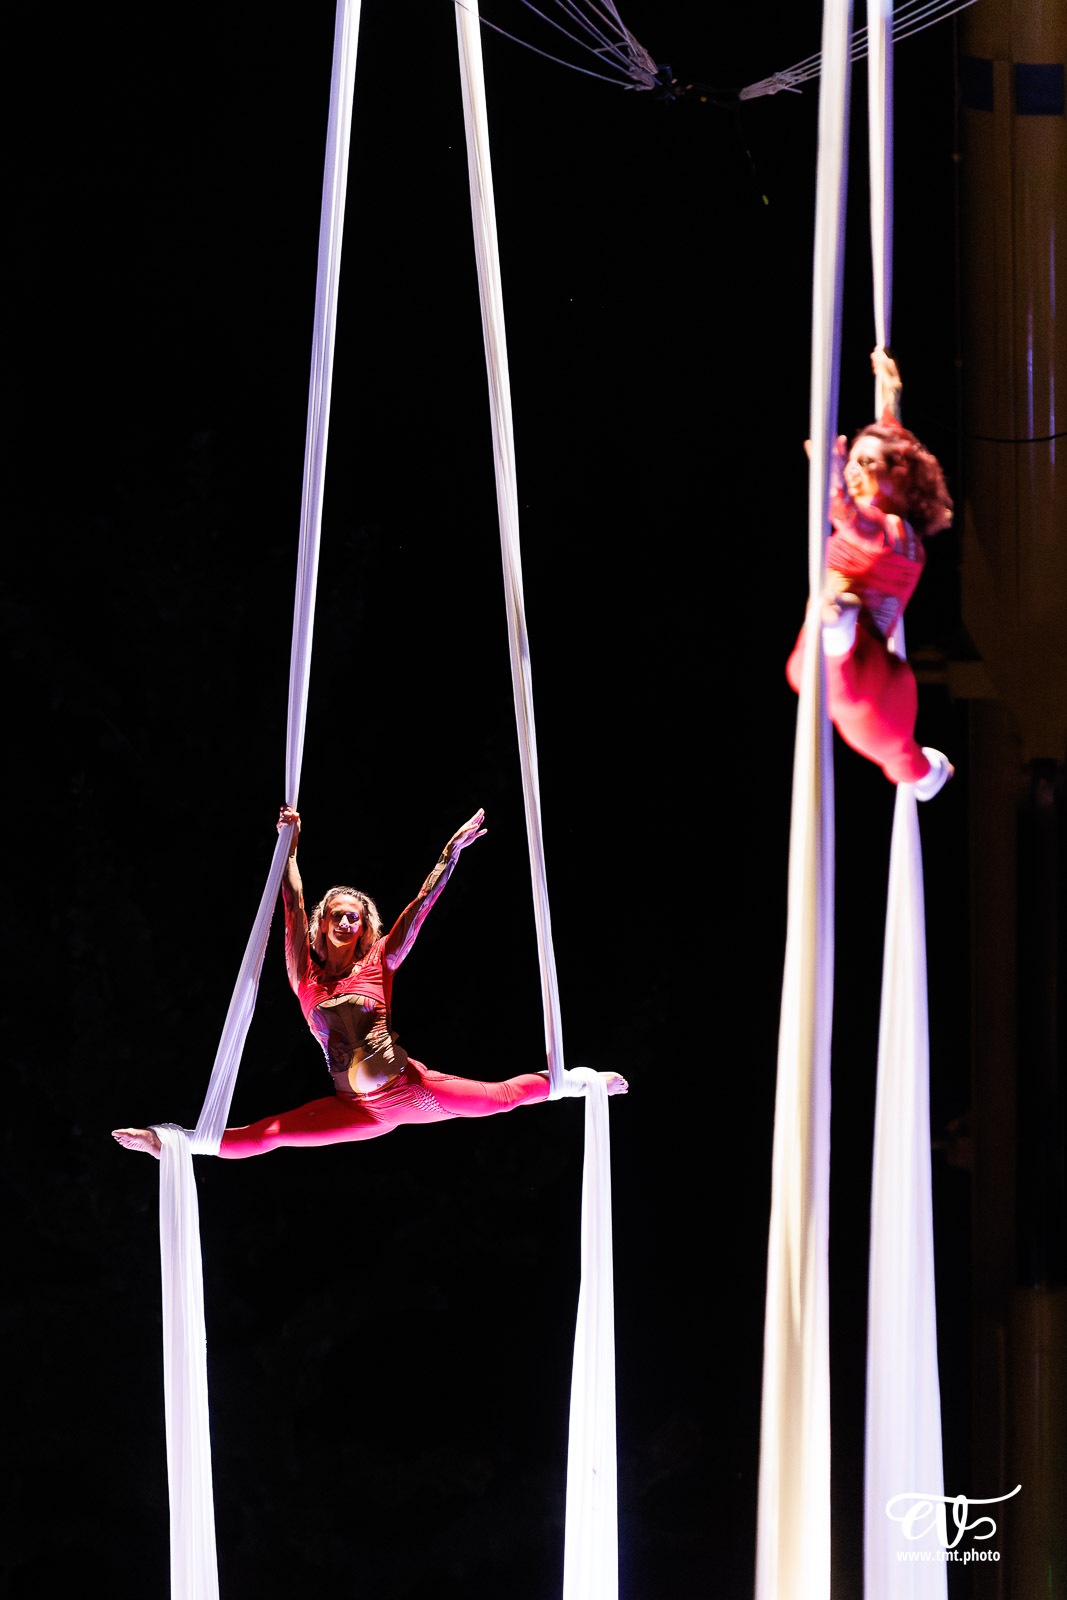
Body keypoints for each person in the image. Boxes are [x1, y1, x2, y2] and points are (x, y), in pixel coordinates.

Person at [113, 807, 626, 1159]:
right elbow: (292, 904)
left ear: (363, 927)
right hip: (357, 1110)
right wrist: (289, 845)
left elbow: (418, 909)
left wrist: (449, 855)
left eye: (355, 917)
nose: (346, 922)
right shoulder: (305, 977)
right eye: (337, 915)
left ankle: (578, 1083)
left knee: (503, 1096)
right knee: (270, 1134)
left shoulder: (379, 963)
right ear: (323, 924)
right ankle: (174, 1143)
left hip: (412, 1089)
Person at [786, 348, 955, 796]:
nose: (854, 471)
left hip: (873, 682)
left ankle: (838, 624)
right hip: (845, 668)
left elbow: (853, 519)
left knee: (886, 742)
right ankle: (836, 626)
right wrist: (889, 397)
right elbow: (890, 444)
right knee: (808, 670)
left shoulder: (897, 536)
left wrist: (831, 480)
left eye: (866, 464)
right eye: (852, 461)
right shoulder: (881, 518)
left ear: (901, 478)